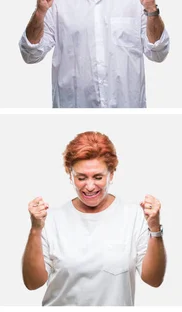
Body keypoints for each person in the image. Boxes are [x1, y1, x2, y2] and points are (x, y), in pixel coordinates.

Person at [19, 0, 169, 107]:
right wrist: (39, 12)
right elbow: (30, 55)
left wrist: (151, 9)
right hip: (73, 111)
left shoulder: (136, 1)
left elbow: (159, 53)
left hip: (126, 110)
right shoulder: (58, 5)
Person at [22, 131, 166, 306]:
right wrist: (35, 229)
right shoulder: (51, 219)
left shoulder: (134, 216)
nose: (89, 186)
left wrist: (155, 228)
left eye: (98, 177)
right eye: (81, 178)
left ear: (111, 174)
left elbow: (154, 280)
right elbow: (32, 283)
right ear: (70, 175)